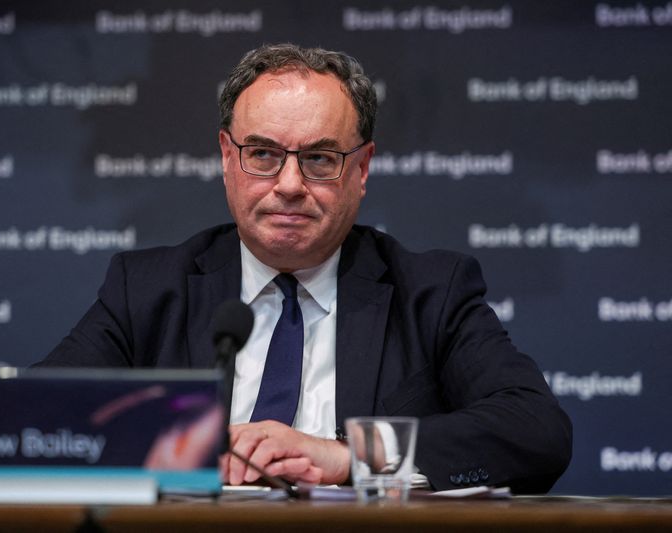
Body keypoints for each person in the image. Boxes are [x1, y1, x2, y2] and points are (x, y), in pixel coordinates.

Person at [37, 43, 572, 493]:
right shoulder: (149, 290)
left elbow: (536, 431)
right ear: (227, 159)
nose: (290, 185)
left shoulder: (429, 293)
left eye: (319, 158)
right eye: (264, 154)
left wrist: (349, 456)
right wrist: (182, 447)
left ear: (361, 169)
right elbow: (39, 419)